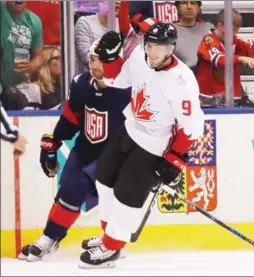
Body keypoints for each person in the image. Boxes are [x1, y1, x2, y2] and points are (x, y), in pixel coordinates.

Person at [79, 22, 205, 268]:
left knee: (128, 193)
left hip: (155, 143)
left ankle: (112, 247)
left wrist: (175, 159)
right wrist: (111, 57)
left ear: (171, 48)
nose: (153, 52)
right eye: (150, 45)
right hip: (130, 128)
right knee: (104, 177)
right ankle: (109, 236)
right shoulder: (139, 56)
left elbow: (192, 127)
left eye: (160, 47)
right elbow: (116, 80)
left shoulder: (183, 81)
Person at [17, 40, 130, 262]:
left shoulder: (131, 89)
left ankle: (111, 242)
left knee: (105, 201)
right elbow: (70, 118)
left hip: (114, 156)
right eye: (92, 58)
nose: (93, 63)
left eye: (98, 59)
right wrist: (54, 141)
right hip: (85, 150)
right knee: (69, 191)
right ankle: (50, 238)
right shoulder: (81, 83)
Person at [196, 9, 254, 106]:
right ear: (219, 26)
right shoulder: (208, 39)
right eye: (232, 30)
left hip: (231, 95)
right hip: (208, 97)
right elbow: (219, 59)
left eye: (237, 30)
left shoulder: (235, 41)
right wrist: (240, 58)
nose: (235, 33)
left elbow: (253, 60)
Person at [0, 1, 43, 87]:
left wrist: (31, 66)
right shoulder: (2, 10)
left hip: (20, 86)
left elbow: (38, 56)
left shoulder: (34, 21)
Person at [173, 1, 214, 71]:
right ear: (177, 8)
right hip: (181, 76)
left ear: (198, 8)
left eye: (192, 3)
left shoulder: (208, 28)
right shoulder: (168, 29)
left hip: (207, 75)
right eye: (184, 3)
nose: (189, 7)